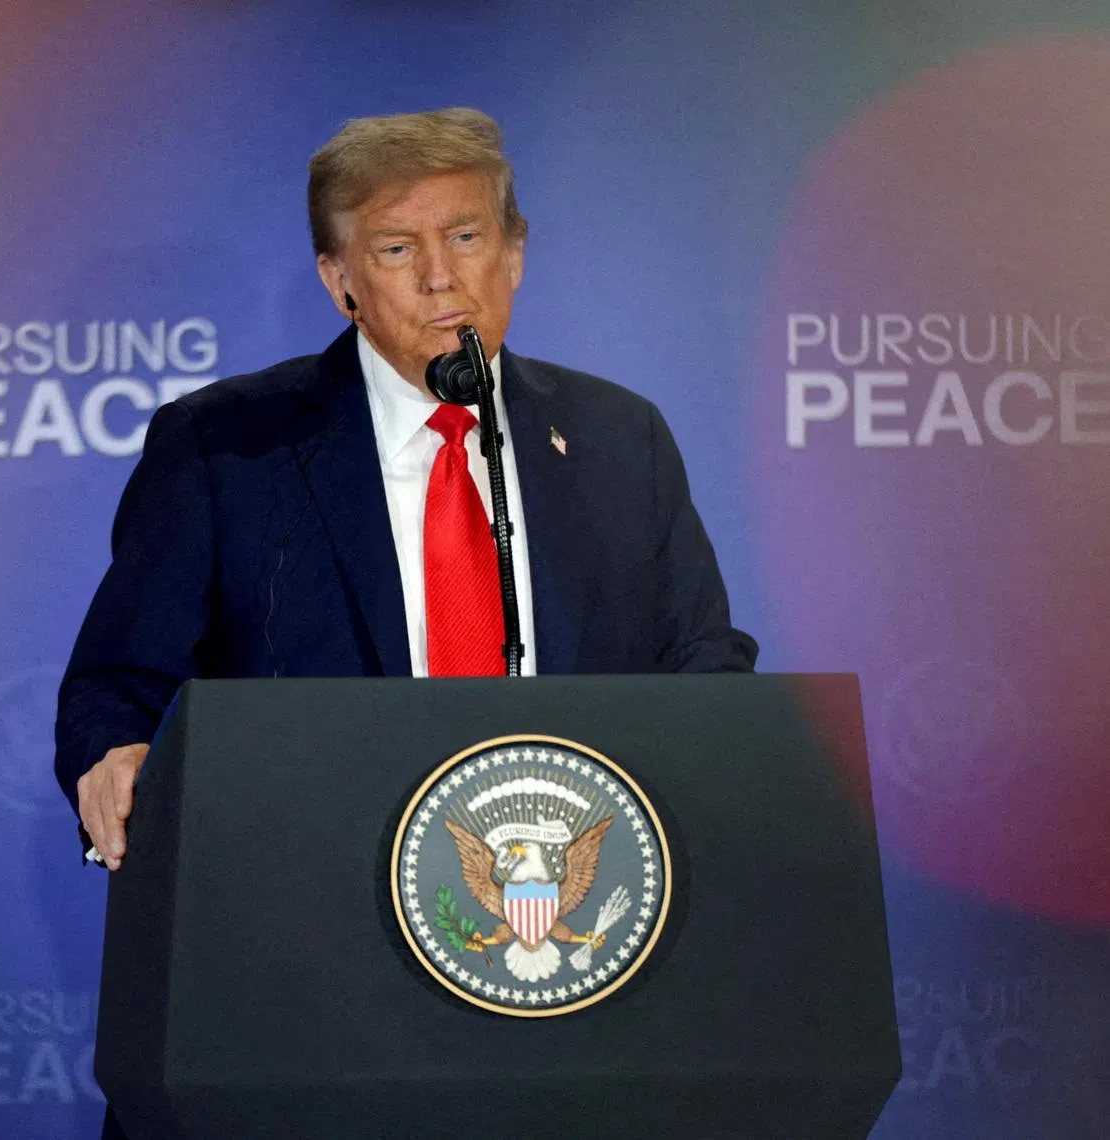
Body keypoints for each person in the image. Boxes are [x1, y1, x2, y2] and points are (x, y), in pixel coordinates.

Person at [55, 107, 758, 873]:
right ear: (340, 281)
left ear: (514, 252)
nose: (440, 277)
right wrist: (118, 754)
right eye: (396, 249)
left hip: (569, 891)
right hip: (310, 890)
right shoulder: (225, 446)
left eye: (466, 237)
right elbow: (120, 681)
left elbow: (703, 664)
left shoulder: (620, 437)